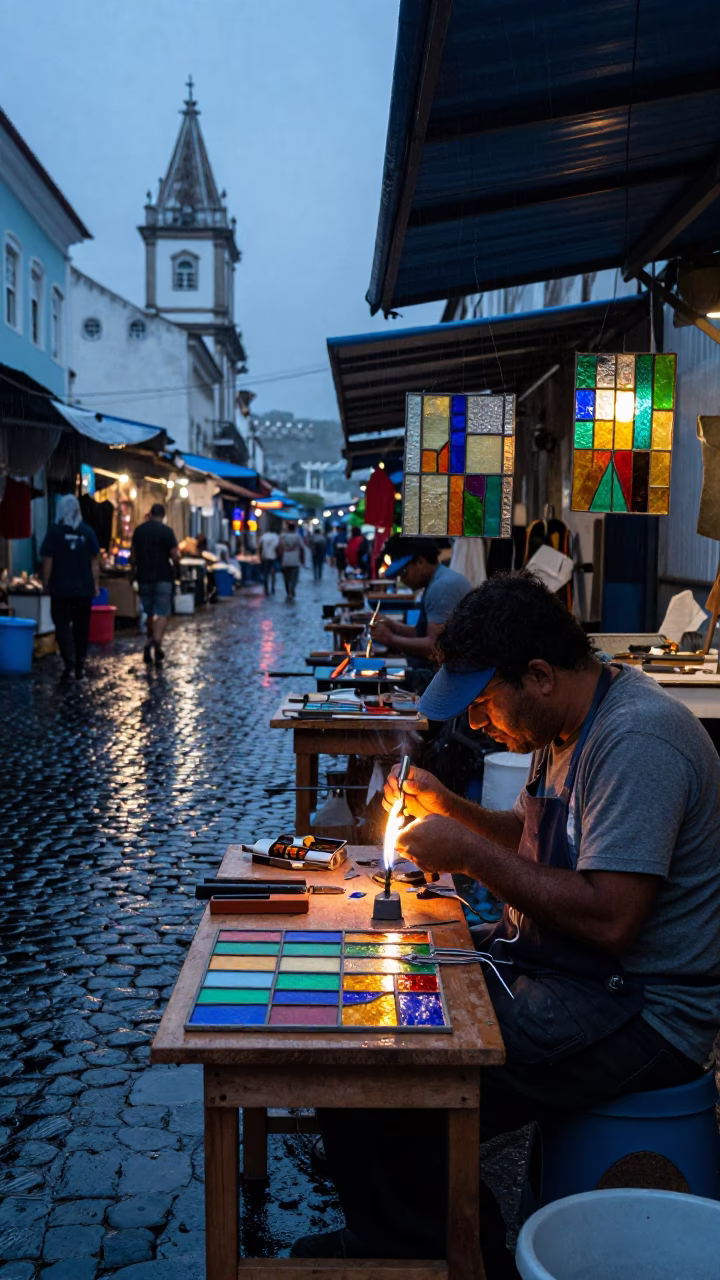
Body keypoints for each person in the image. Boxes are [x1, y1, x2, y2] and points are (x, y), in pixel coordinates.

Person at [294, 573, 720, 1276]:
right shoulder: (567, 730)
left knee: (400, 1063)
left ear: (541, 676)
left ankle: (455, 1255)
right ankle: (392, 1237)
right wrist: (450, 807)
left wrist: (468, 856)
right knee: (360, 1010)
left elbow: (611, 916)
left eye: (486, 705)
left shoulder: (639, 739)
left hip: (644, 1005)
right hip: (569, 965)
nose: (478, 727)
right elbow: (530, 842)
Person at [371, 536, 471, 670]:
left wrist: (391, 639)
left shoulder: (441, 587)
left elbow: (435, 647)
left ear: (420, 562)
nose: (403, 580)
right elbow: (422, 634)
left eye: (404, 573)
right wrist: (393, 626)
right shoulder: (437, 580)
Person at [41, 493, 100, 680]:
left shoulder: (54, 532)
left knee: (62, 624)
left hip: (61, 589)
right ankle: (79, 663)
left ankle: (69, 661)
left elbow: (48, 560)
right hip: (83, 590)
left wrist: (45, 582)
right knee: (81, 627)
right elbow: (94, 562)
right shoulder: (87, 531)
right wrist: (95, 584)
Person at [130, 503, 179, 665]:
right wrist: (177, 570)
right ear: (163, 515)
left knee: (150, 612)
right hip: (163, 577)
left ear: (150, 514)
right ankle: (156, 640)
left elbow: (133, 556)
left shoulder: (139, 531)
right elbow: (175, 555)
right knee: (163, 611)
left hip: (144, 577)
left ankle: (150, 641)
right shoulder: (166, 531)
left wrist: (132, 572)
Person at [277, 521, 303, 598]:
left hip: (285, 559)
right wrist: (302, 559)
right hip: (295, 560)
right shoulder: (297, 536)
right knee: (294, 577)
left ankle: (288, 591)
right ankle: (292, 588)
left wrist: (280, 557)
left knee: (286, 577)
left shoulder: (282, 536)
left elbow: (279, 547)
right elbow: (302, 548)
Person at [258, 526, 280, 596]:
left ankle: (266, 589)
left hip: (265, 557)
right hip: (273, 557)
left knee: (266, 574)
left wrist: (260, 556)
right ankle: (272, 588)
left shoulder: (264, 536)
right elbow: (278, 547)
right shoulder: (276, 536)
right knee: (273, 574)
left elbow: (260, 547)